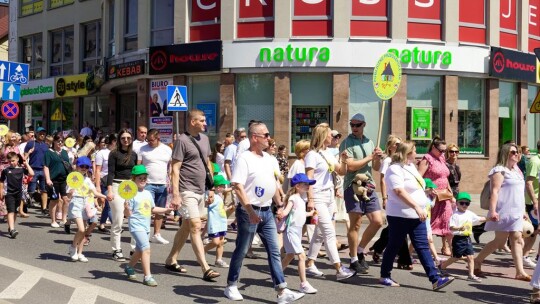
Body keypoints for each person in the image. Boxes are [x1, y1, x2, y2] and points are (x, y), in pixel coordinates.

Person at [224, 121, 304, 303]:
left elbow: (273, 184)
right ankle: (231, 285)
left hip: (267, 211)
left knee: (274, 250)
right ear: (255, 138)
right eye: (266, 135)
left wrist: (280, 206)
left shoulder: (270, 159)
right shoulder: (244, 158)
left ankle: (282, 291)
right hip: (249, 211)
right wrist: (250, 211)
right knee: (242, 249)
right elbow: (237, 186)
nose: (269, 138)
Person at [380, 140, 454, 290]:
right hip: (400, 215)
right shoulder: (394, 169)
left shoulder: (411, 167)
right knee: (394, 245)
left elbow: (415, 187)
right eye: (414, 150)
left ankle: (435, 279)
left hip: (417, 214)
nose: (416, 153)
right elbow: (399, 191)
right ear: (407, 153)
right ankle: (385, 275)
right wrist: (416, 206)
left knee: (423, 246)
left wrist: (426, 192)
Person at [164, 109, 219, 281]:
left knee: (187, 226)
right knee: (196, 226)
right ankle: (205, 268)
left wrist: (211, 188)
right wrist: (175, 195)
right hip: (186, 189)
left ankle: (171, 259)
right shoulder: (182, 140)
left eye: (205, 120)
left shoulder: (205, 139)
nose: (205, 123)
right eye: (202, 121)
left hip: (201, 189)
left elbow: (208, 163)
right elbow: (175, 168)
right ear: (192, 122)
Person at [304, 123, 355, 280]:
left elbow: (341, 171)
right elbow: (309, 179)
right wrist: (310, 200)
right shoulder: (311, 155)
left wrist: (344, 160)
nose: (332, 137)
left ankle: (309, 263)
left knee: (319, 233)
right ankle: (339, 269)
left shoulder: (328, 153)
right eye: (330, 135)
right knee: (328, 232)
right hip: (318, 196)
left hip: (329, 196)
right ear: (322, 136)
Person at [474, 142, 531, 281]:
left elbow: (519, 192)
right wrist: (493, 211)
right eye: (513, 152)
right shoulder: (499, 170)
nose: (517, 154)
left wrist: (523, 210)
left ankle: (519, 272)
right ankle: (477, 261)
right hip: (503, 211)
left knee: (517, 239)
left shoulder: (517, 170)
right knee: (499, 242)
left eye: (517, 151)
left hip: (517, 211)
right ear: (505, 153)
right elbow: (494, 192)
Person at [339, 113, 383, 273]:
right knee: (356, 224)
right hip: (353, 185)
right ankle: (353, 259)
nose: (354, 128)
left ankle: (360, 249)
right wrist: (370, 157)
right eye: (352, 125)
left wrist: (378, 157)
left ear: (364, 125)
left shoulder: (370, 142)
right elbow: (350, 166)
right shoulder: (346, 143)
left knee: (378, 221)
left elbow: (377, 167)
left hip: (369, 185)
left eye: (358, 125)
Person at [123, 165, 173, 286]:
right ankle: (147, 277)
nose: (143, 180)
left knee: (140, 250)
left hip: (146, 226)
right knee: (146, 249)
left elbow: (153, 209)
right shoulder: (131, 194)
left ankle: (129, 267)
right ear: (133, 179)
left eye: (145, 178)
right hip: (136, 225)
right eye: (140, 178)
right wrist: (126, 209)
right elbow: (127, 214)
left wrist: (166, 210)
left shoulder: (147, 193)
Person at [371, 135, 412, 266]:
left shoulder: (402, 161)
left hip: (402, 198)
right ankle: (404, 260)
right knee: (400, 228)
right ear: (390, 147)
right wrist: (384, 198)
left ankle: (378, 247)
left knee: (396, 229)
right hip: (392, 197)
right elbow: (382, 180)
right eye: (396, 144)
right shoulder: (388, 161)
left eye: (400, 144)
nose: (399, 146)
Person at [281, 173, 318, 294]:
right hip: (291, 230)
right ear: (297, 186)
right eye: (305, 184)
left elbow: (300, 213)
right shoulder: (293, 198)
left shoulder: (302, 199)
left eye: (308, 184)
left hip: (296, 231)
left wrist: (310, 214)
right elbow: (287, 210)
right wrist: (282, 213)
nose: (308, 186)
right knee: (301, 256)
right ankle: (303, 284)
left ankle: (277, 275)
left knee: (290, 255)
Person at [418, 136, 454, 256]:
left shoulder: (441, 158)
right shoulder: (427, 159)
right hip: (431, 197)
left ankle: (451, 248)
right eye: (441, 150)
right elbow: (418, 178)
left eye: (445, 151)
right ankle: (413, 249)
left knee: (447, 221)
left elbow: (445, 177)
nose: (443, 153)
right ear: (433, 147)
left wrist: (450, 192)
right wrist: (427, 190)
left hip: (444, 196)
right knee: (428, 225)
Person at [438, 192, 486, 283]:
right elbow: (451, 227)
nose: (464, 205)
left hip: (467, 238)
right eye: (462, 203)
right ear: (457, 203)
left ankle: (471, 275)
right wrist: (459, 228)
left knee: (471, 257)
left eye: (467, 203)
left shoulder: (469, 213)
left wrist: (490, 218)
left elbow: (479, 219)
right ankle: (442, 266)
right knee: (456, 257)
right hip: (458, 239)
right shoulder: (455, 215)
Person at [67, 156, 107, 263]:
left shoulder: (88, 180)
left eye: (86, 167)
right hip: (76, 203)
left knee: (84, 231)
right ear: (77, 167)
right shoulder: (72, 178)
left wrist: (106, 197)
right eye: (82, 166)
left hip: (85, 204)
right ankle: (72, 247)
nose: (84, 168)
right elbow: (68, 195)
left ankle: (79, 253)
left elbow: (95, 192)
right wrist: (70, 192)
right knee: (81, 229)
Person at [106, 128, 138, 262]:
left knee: (134, 219)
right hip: (116, 186)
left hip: (131, 186)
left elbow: (135, 172)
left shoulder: (134, 155)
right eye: (123, 138)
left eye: (128, 138)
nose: (126, 140)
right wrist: (109, 190)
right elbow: (111, 173)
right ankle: (116, 250)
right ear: (119, 140)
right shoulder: (114, 154)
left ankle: (134, 250)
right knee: (119, 219)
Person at [137, 129, 172, 244]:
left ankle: (157, 234)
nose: (149, 142)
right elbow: (138, 165)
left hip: (162, 183)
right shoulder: (143, 149)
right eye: (148, 140)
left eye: (152, 140)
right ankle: (144, 233)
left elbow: (170, 166)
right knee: (146, 208)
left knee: (160, 210)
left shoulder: (167, 149)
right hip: (148, 184)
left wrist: (170, 179)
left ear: (158, 138)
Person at [0, 152, 34, 239]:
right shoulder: (6, 170)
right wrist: (1, 191)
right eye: (10, 161)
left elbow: (31, 174)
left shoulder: (21, 169)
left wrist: (26, 164)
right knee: (10, 211)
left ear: (17, 160)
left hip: (18, 193)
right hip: (9, 193)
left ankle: (11, 227)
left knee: (15, 211)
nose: (11, 163)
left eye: (13, 161)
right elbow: (1, 181)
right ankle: (12, 229)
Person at [44, 135, 71, 227]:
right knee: (54, 200)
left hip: (64, 179)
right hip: (53, 179)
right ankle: (53, 220)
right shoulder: (49, 152)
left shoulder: (64, 152)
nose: (60, 143)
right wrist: (48, 179)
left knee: (66, 200)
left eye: (62, 141)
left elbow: (68, 164)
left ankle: (64, 219)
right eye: (58, 141)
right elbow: (46, 166)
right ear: (54, 142)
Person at [204, 174, 230, 268]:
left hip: (222, 223)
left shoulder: (219, 196)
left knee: (221, 242)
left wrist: (230, 207)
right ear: (218, 187)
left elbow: (220, 209)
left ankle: (218, 259)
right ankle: (202, 251)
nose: (224, 187)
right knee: (215, 242)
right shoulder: (211, 195)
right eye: (223, 186)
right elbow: (207, 204)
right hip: (214, 223)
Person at [24, 127, 49, 214]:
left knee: (44, 190)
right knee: (31, 190)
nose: (42, 135)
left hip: (43, 169)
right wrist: (29, 153)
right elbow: (24, 157)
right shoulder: (30, 144)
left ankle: (44, 208)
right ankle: (25, 204)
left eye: (43, 134)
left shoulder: (46, 145)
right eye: (40, 133)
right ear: (36, 134)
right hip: (33, 169)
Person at [95, 134, 116, 233]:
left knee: (108, 204)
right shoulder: (102, 153)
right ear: (112, 141)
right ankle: (115, 225)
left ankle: (102, 224)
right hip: (105, 180)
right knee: (110, 203)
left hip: (115, 180)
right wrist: (97, 185)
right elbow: (98, 170)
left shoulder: (117, 152)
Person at [524, 140, 540, 268]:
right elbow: (529, 182)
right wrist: (535, 201)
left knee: (535, 231)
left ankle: (529, 256)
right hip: (535, 202)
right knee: (533, 231)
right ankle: (524, 256)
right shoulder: (535, 161)